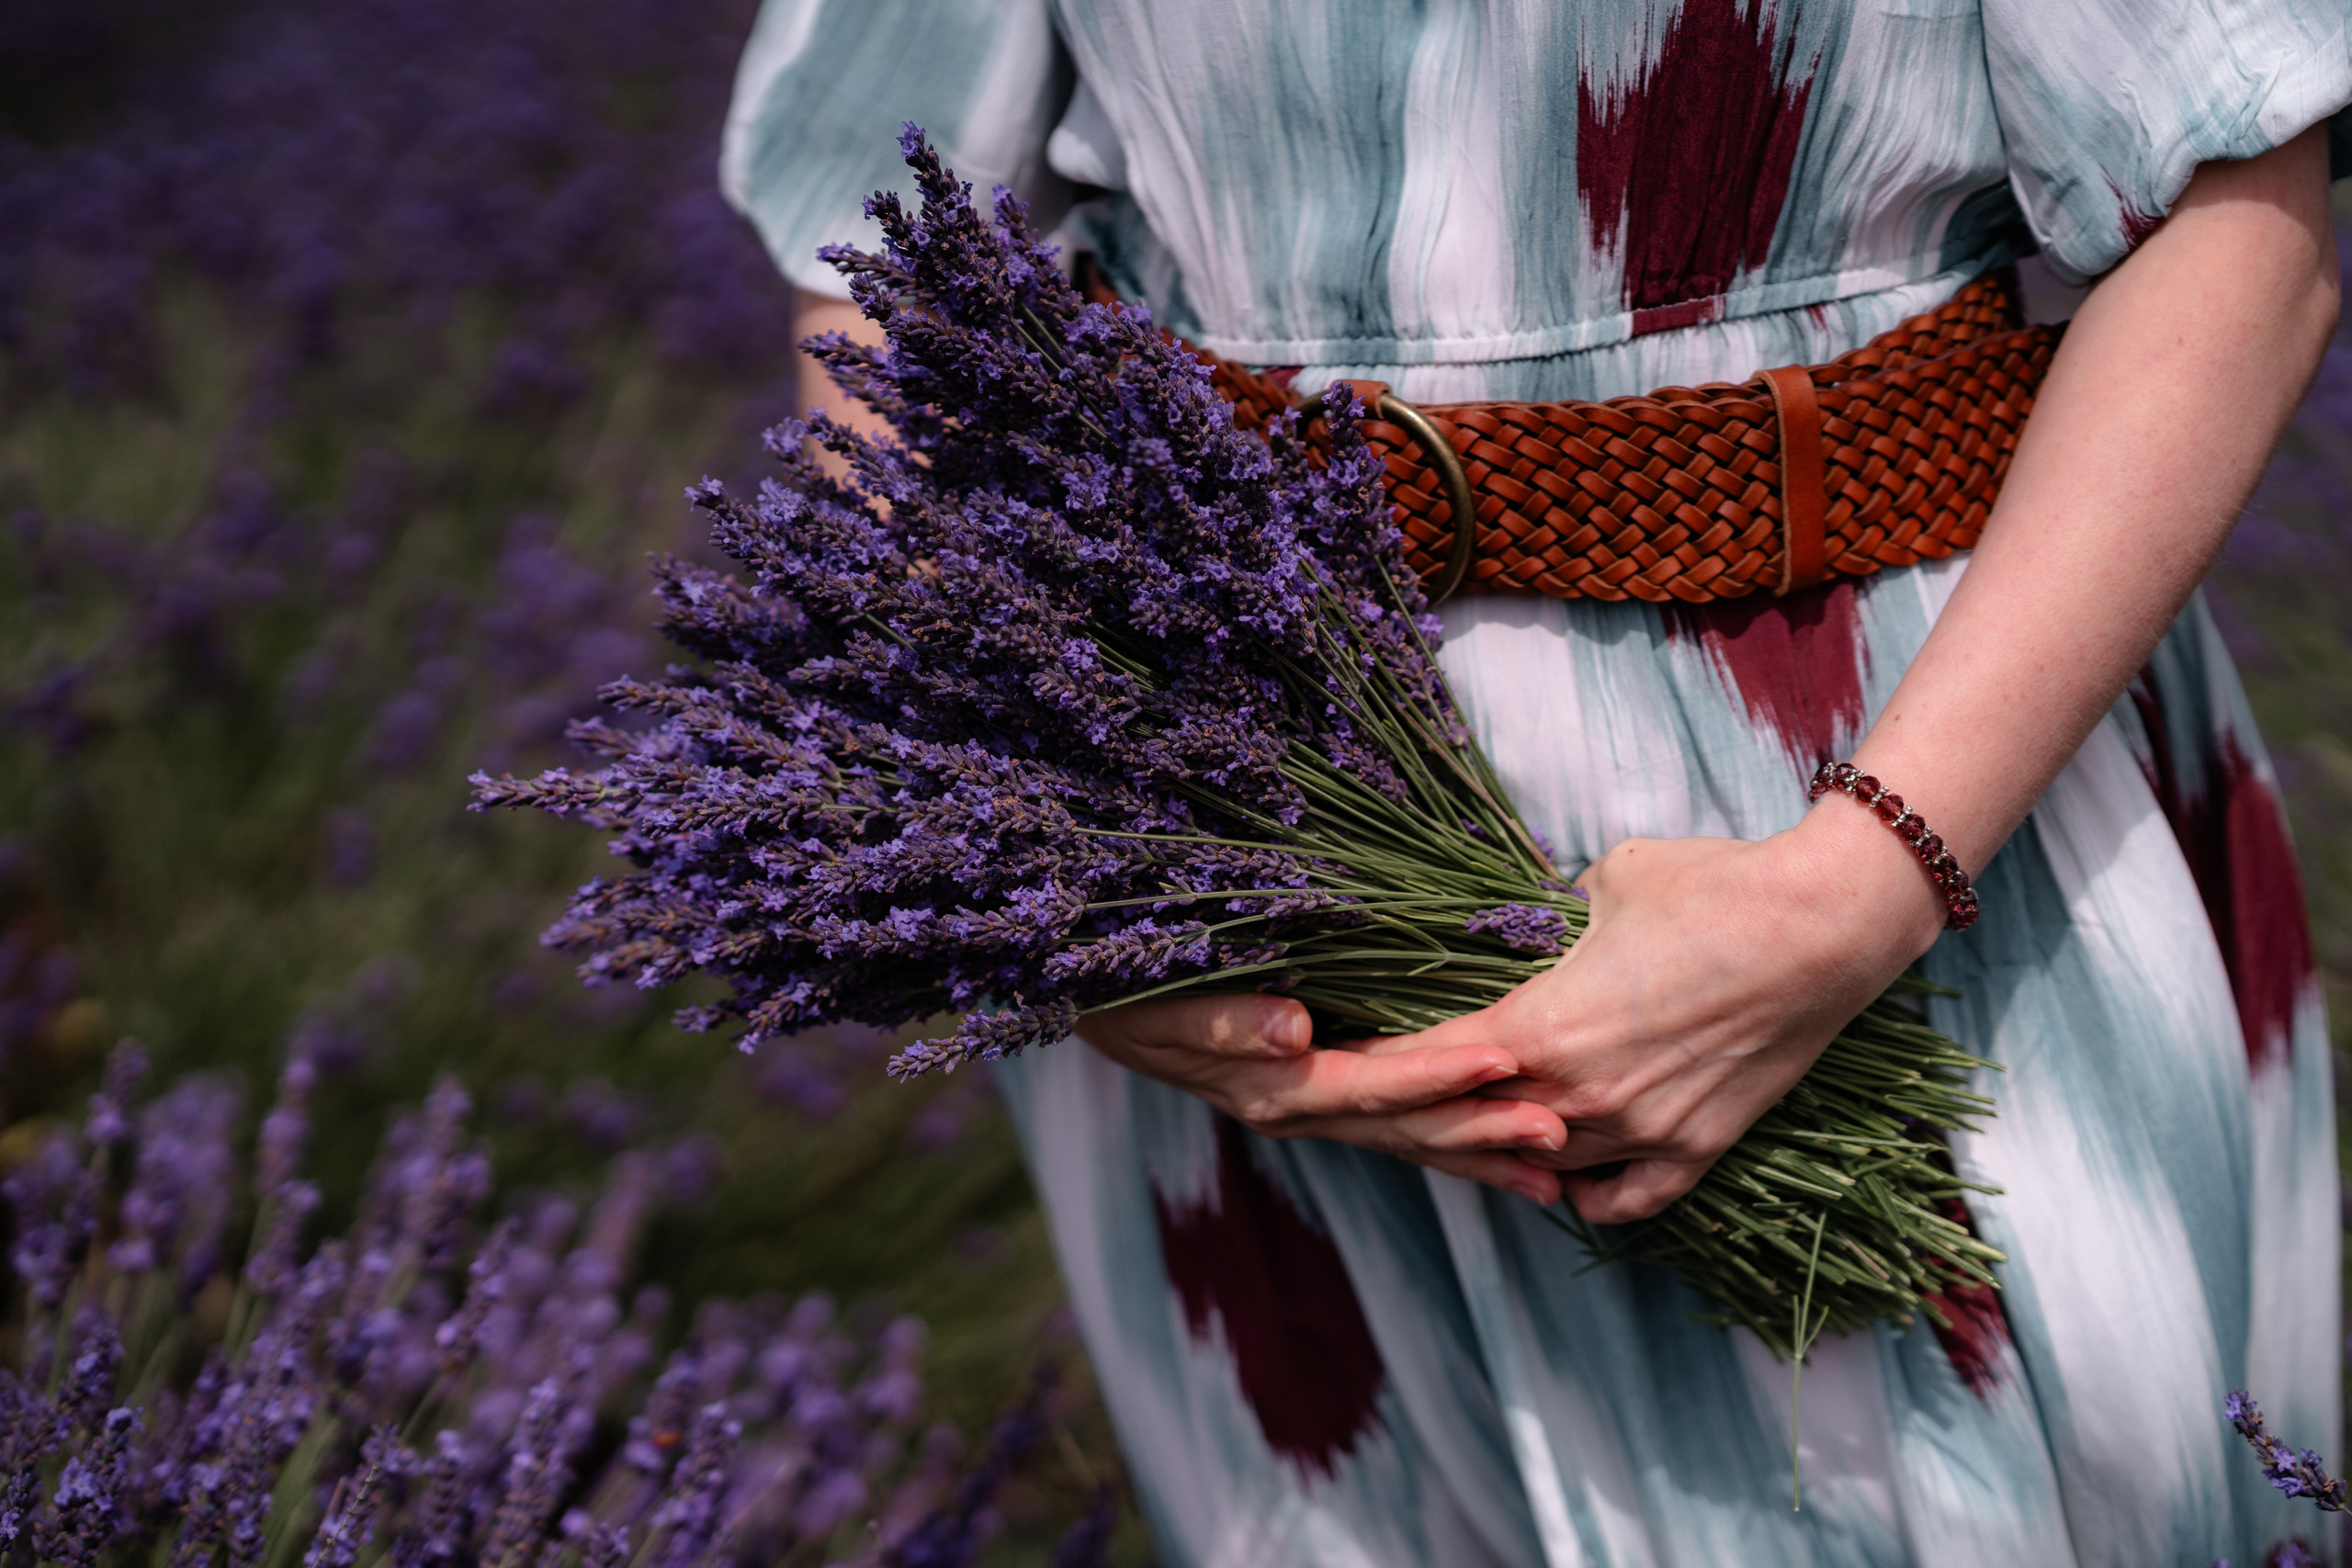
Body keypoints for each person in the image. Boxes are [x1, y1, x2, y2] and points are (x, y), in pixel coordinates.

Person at [722, 4, 2349, 1562]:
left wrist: (1854, 888)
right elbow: (884, 271)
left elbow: (2235, 221)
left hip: (1917, 777)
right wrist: (1069, 872)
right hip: (1230, 832)